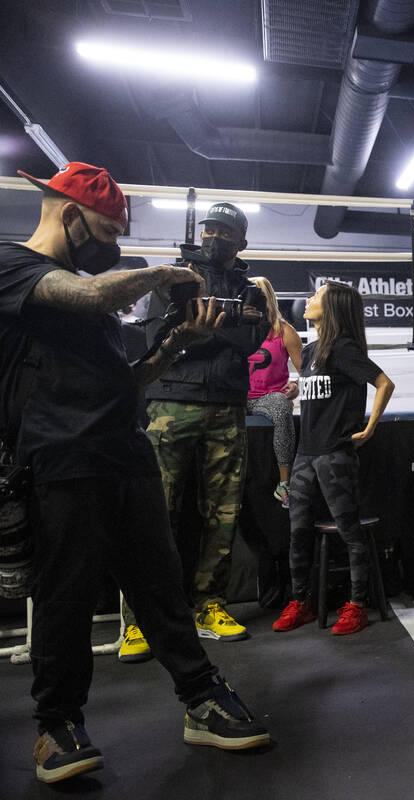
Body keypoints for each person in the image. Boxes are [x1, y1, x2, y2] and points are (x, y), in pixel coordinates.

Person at [0, 162, 268, 783]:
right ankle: (57, 726)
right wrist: (169, 273)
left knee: (160, 586)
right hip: (59, 463)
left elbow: (128, 381)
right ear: (70, 216)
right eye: (106, 232)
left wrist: (177, 340)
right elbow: (97, 293)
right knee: (65, 597)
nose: (112, 248)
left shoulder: (86, 299)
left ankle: (201, 699)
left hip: (127, 456)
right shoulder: (16, 268)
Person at [119, 201, 270, 662]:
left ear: (241, 242)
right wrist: (216, 329)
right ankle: (138, 620)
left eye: (225, 233)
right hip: (170, 405)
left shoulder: (251, 289)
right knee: (155, 514)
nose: (214, 238)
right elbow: (156, 339)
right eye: (210, 230)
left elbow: (252, 341)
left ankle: (210, 606)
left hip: (226, 408)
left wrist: (206, 327)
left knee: (221, 515)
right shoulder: (174, 280)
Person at [272, 281, 394, 636]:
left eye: (316, 296)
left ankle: (356, 606)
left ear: (334, 306)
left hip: (335, 454)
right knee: (297, 533)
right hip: (305, 454)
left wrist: (369, 429)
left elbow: (385, 383)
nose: (308, 299)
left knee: (350, 533)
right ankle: (300, 603)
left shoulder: (344, 349)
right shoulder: (310, 352)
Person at [246, 276, 303, 507]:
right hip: (239, 395)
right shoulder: (237, 329)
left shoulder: (285, 332)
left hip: (267, 397)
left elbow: (306, 372)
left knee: (281, 405)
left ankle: (284, 484)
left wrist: (296, 386)